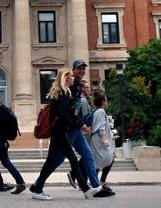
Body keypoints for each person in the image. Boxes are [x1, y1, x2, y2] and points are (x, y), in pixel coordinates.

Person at [43, 59, 114, 198]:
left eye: (83, 68)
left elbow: (74, 110)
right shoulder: (71, 87)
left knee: (87, 155)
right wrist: (79, 123)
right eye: (79, 69)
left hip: (74, 128)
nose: (82, 71)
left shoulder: (75, 86)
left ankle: (95, 186)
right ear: (73, 70)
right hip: (69, 129)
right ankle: (38, 184)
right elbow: (69, 111)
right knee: (58, 159)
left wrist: (79, 123)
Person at [30, 68, 102, 200]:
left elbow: (58, 114)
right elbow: (62, 114)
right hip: (60, 132)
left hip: (59, 132)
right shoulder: (63, 94)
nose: (73, 78)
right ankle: (85, 189)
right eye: (71, 76)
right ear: (65, 78)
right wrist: (72, 123)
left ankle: (37, 188)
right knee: (69, 159)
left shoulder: (62, 92)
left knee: (54, 161)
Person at [89, 92, 115, 194]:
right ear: (103, 102)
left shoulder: (97, 111)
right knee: (109, 159)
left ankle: (97, 184)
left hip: (97, 139)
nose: (107, 102)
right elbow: (101, 126)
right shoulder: (100, 111)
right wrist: (104, 138)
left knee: (98, 162)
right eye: (106, 100)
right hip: (99, 139)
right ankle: (100, 183)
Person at [67, 78, 92, 185]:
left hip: (78, 129)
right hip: (82, 130)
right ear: (81, 89)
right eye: (86, 87)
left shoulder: (80, 100)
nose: (89, 89)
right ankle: (75, 174)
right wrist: (86, 128)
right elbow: (85, 116)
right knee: (88, 155)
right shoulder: (83, 101)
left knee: (86, 155)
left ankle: (83, 181)